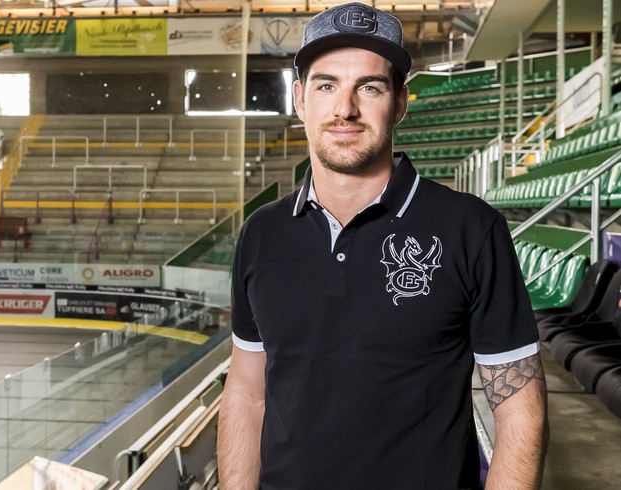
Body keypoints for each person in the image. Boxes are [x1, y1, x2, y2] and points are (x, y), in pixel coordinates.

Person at [217, 3, 548, 489]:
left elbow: (520, 408)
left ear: (400, 102)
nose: (344, 108)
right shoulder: (262, 234)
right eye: (326, 85)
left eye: (369, 87)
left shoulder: (470, 228)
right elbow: (247, 393)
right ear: (300, 100)